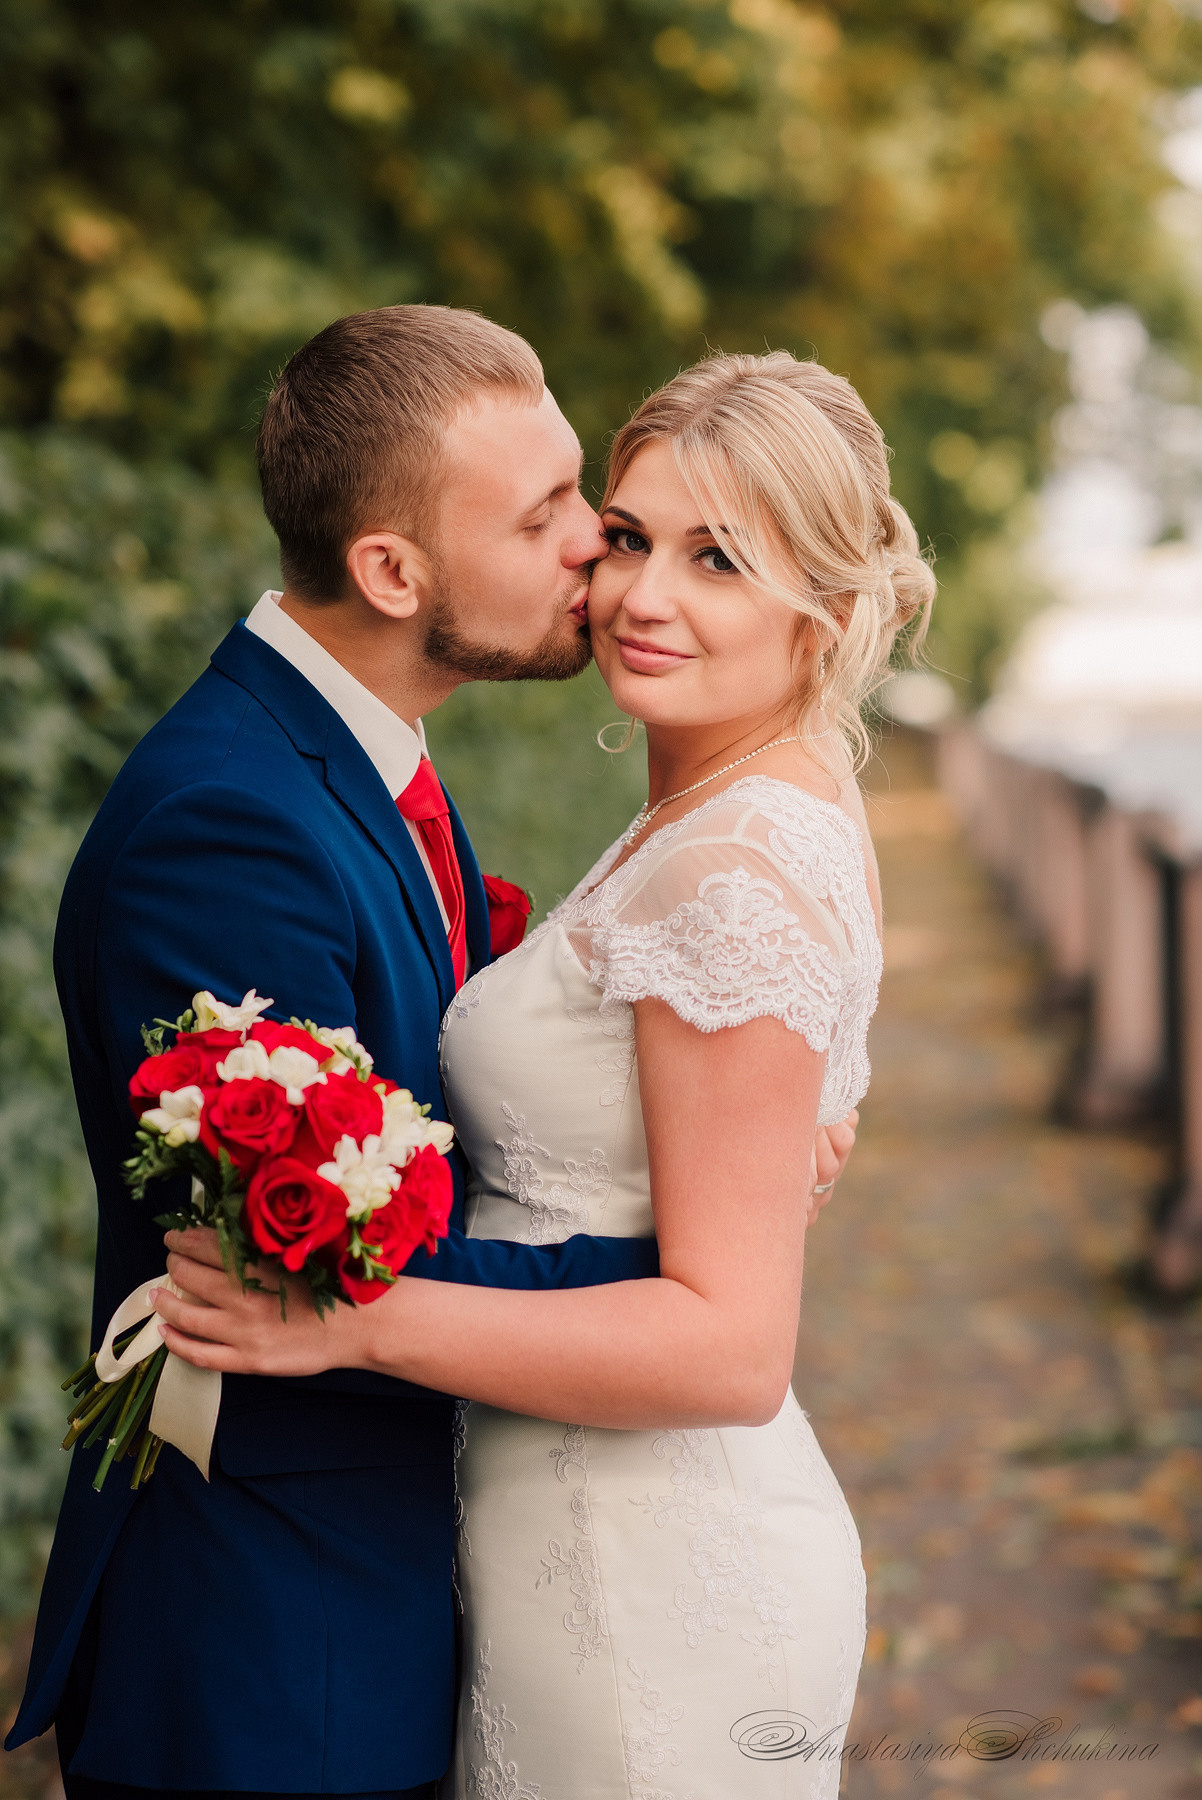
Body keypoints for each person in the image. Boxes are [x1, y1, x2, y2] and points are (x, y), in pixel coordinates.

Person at [7, 309, 864, 1800]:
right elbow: (298, 1261)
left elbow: (439, 1181)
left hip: (526, 1578)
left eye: (591, 512)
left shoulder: (377, 769)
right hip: (277, 1637)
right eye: (562, 523)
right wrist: (694, 1239)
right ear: (393, 572)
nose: (600, 565)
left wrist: (719, 1205)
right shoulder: (232, 829)